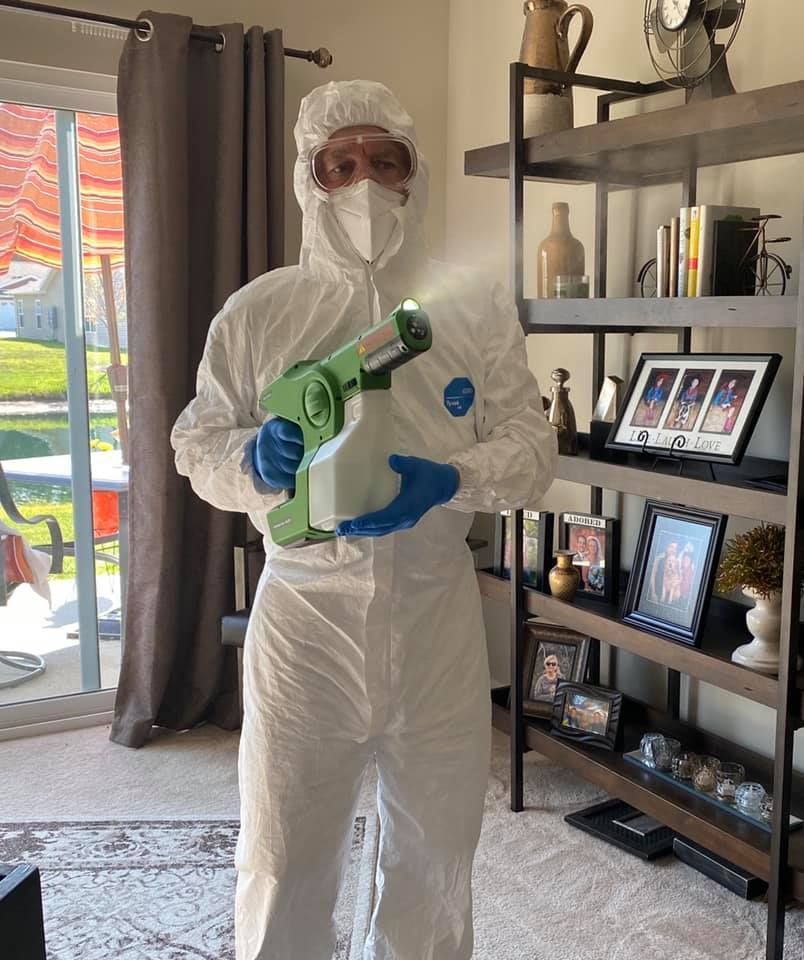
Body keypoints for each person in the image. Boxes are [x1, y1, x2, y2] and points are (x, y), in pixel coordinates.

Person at [171, 80, 557, 960]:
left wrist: (449, 477)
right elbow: (197, 441)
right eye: (339, 164)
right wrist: (251, 459)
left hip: (435, 617)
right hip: (306, 620)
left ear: (414, 175)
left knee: (435, 855)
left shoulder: (470, 308)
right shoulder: (260, 313)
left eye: (386, 161)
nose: (365, 183)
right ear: (310, 181)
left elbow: (532, 449)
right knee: (282, 855)